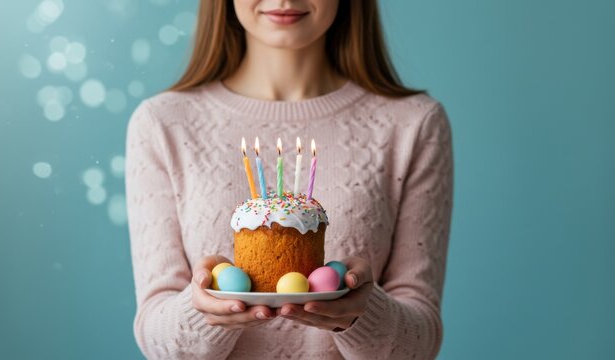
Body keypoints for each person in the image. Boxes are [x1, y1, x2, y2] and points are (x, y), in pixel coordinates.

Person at [125, 0, 453, 359]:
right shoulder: (161, 124)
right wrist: (202, 312)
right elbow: (157, 342)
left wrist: (363, 312)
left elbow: (419, 345)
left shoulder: (414, 124)